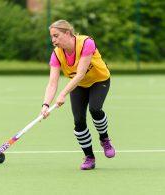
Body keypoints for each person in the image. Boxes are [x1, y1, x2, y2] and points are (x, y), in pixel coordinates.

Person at [41, 20, 115, 170]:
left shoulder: (86, 43)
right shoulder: (56, 54)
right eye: (52, 37)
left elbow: (80, 73)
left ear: (67, 33)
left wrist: (62, 94)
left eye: (56, 36)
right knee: (79, 121)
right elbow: (52, 83)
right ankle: (89, 157)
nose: (53, 40)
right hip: (78, 85)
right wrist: (45, 105)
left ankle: (104, 139)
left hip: (99, 80)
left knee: (95, 109)